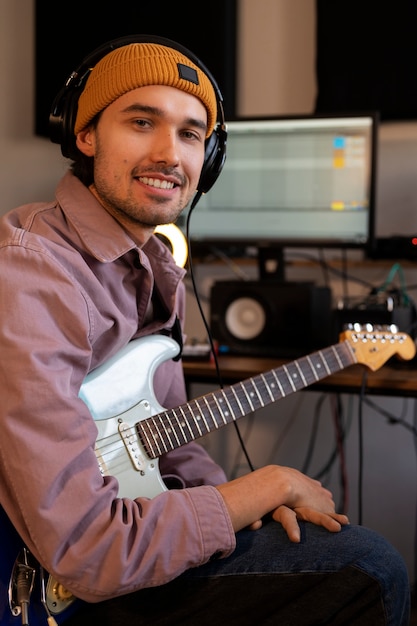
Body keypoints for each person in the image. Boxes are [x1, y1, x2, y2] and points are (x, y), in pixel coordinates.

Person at [0, 34, 410, 626]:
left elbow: (172, 439)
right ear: (84, 135)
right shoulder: (33, 272)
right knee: (369, 569)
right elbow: (87, 550)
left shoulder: (159, 265)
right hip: (56, 583)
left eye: (191, 134)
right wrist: (261, 489)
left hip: (128, 536)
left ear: (208, 161)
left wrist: (243, 508)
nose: (171, 154)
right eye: (142, 122)